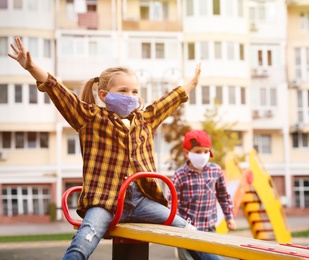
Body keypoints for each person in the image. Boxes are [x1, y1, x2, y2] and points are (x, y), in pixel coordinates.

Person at [8, 37, 222, 260]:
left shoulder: (145, 120)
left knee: (188, 232)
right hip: (104, 200)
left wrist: (192, 84)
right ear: (104, 95)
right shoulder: (90, 118)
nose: (130, 97)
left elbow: (170, 100)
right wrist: (31, 67)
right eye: (123, 90)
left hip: (141, 200)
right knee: (84, 240)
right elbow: (60, 93)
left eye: (134, 91)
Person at [170, 129, 236, 260]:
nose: (203, 155)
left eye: (206, 151)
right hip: (186, 230)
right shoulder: (180, 175)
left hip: (208, 227)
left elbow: (223, 196)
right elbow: (172, 202)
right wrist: (174, 225)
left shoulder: (215, 170)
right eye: (198, 152)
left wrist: (229, 217)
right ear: (187, 153)